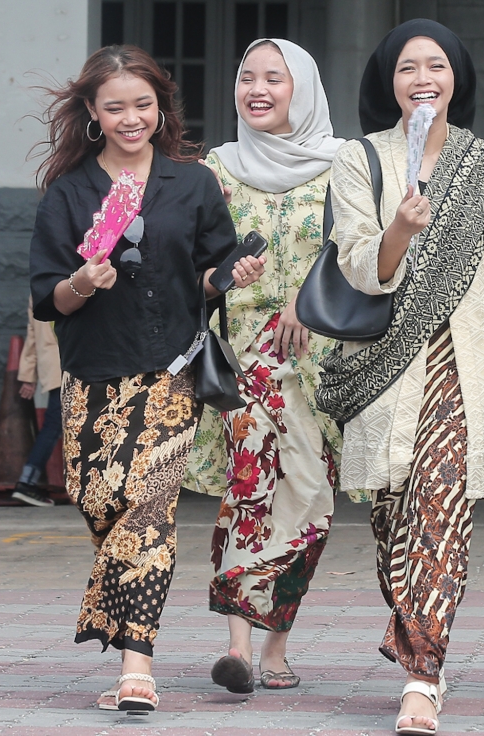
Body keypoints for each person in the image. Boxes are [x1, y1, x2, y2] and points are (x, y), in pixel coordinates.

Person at [315, 19, 484, 736]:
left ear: (457, 77)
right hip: (382, 365)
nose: (422, 78)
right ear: (388, 81)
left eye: (436, 65)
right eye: (408, 67)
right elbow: (354, 261)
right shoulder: (358, 160)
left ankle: (421, 678)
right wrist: (400, 228)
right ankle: (418, 637)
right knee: (393, 520)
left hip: (463, 365)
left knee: (441, 511)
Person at [29, 45, 265, 713]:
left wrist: (232, 275)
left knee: (148, 509)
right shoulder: (70, 192)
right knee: (101, 501)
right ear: (93, 115)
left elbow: (211, 271)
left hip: (171, 372)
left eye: (143, 104)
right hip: (93, 375)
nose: (132, 117)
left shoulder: (189, 184)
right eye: (116, 107)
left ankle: (138, 666)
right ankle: (122, 610)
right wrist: (83, 278)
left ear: (160, 108)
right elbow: (49, 297)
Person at [184, 38, 345, 693]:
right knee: (248, 496)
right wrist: (223, 277)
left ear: (300, 89)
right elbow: (187, 270)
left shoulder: (346, 166)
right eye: (246, 77)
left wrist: (313, 301)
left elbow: (362, 259)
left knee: (312, 504)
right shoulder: (214, 170)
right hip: (245, 360)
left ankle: (278, 641)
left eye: (273, 79)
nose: (257, 89)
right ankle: (239, 649)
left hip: (321, 367)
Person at [12, 297, 63, 507]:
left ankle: (27, 481)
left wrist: (28, 375)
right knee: (57, 426)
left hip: (53, 367)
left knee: (54, 425)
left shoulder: (39, 289)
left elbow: (33, 335)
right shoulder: (77, 281)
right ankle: (26, 482)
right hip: (74, 364)